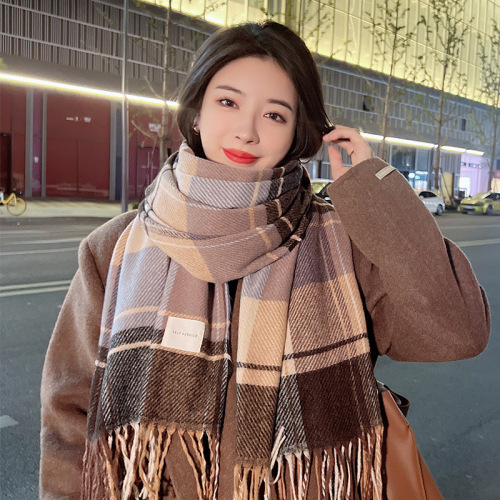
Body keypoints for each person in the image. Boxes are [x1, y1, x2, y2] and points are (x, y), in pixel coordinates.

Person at [40, 21, 490, 500]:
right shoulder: (114, 247)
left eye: (275, 115)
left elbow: (456, 331)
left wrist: (374, 192)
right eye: (228, 102)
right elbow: (68, 412)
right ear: (196, 112)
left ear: (297, 131)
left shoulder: (342, 240)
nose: (247, 131)